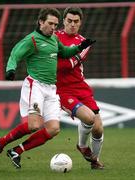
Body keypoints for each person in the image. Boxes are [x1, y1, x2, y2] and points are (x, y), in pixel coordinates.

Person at [0, 8, 95, 169]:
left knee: (53, 129)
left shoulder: (53, 39)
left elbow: (65, 53)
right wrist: (10, 69)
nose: (53, 27)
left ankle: (17, 151)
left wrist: (79, 47)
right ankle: (1, 142)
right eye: (50, 23)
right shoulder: (32, 39)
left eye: (55, 24)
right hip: (36, 85)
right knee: (34, 125)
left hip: (51, 89)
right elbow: (15, 54)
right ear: (41, 22)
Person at [55, 7, 104, 169]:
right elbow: (60, 68)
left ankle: (94, 161)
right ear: (63, 21)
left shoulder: (84, 43)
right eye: (69, 21)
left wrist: (56, 56)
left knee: (98, 128)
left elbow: (67, 65)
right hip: (62, 89)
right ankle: (83, 146)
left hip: (81, 87)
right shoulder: (53, 37)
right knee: (89, 118)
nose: (72, 24)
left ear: (80, 23)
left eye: (76, 21)